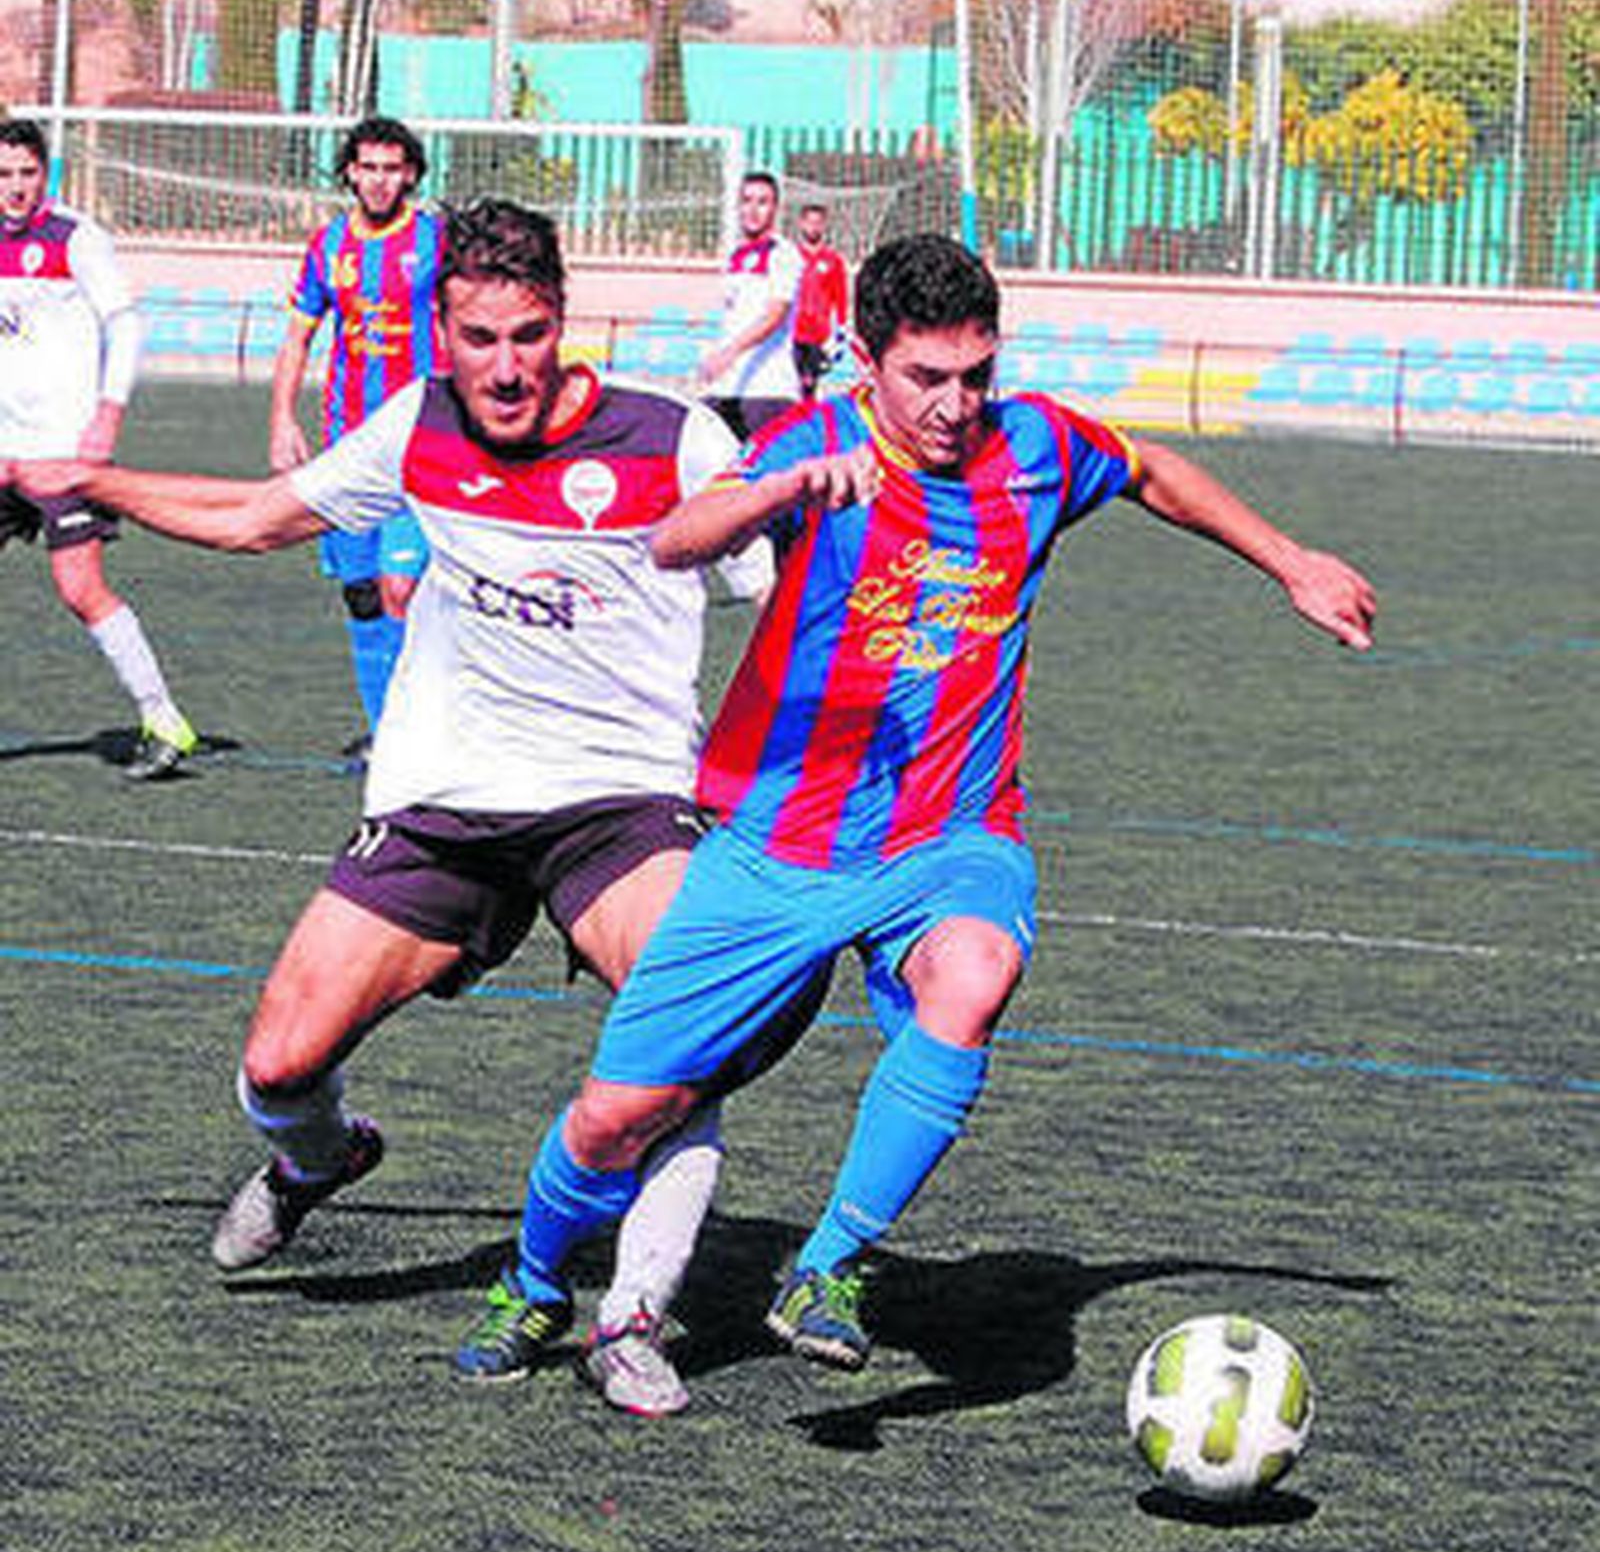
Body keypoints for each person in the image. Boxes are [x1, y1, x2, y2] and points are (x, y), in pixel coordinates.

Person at [454, 232, 1378, 1390]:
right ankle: (535, 1280)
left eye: (973, 373)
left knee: (975, 973)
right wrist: (782, 490)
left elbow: (1146, 470)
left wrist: (1288, 560)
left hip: (952, 835)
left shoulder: (1037, 444)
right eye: (924, 378)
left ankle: (832, 1261)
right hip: (776, 845)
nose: (954, 404)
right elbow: (673, 537)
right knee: (613, 1117)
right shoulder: (817, 442)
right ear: (861, 361)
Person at [9, 199, 776, 1420]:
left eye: (529, 334)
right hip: (443, 806)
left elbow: (776, 593)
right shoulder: (417, 424)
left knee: (687, 1031)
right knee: (276, 1062)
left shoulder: (671, 437)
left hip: (618, 804)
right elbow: (261, 518)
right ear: (443, 330)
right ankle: (324, 1156)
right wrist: (94, 477)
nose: (507, 364)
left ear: (562, 324)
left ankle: (632, 1312)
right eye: (479, 337)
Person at [0, 116, 197, 780]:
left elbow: (127, 323)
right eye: (4, 175)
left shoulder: (76, 238)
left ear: (45, 174)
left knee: (80, 587)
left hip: (65, 450)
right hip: (7, 449)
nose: (16, 187)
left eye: (28, 173)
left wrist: (107, 417)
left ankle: (163, 719)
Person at [270, 115, 445, 758]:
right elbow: (298, 336)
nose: (378, 180)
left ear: (410, 174)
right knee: (363, 592)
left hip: (422, 445)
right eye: (367, 167)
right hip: (348, 445)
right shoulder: (327, 247)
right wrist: (282, 417)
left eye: (391, 168)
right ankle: (384, 730)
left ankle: (415, 730)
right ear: (349, 170)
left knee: (405, 588)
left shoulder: (436, 241)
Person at [697, 170, 803, 440]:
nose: (753, 210)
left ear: (775, 209)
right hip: (726, 388)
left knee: (763, 477)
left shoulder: (782, 254)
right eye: (747, 200)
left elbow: (775, 315)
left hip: (767, 390)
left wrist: (729, 352)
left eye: (762, 202)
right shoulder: (735, 255)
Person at [790, 201, 849, 402]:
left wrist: (841, 330)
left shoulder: (833, 260)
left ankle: (807, 423)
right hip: (792, 331)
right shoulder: (789, 257)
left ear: (824, 226)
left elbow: (840, 295)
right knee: (789, 383)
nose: (813, 228)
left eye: (818, 223)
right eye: (810, 222)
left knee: (810, 384)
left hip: (818, 333)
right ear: (801, 224)